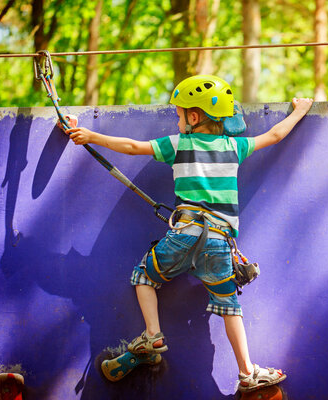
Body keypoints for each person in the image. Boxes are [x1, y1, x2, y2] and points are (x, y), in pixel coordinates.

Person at [64, 75, 313, 392]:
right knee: (229, 308)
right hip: (219, 243)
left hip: (184, 233)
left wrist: (90, 136)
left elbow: (130, 147)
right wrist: (300, 109)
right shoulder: (234, 146)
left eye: (179, 114)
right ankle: (248, 371)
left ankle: (153, 335)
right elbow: (276, 135)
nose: (177, 119)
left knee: (144, 277)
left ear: (193, 117)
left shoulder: (178, 144)